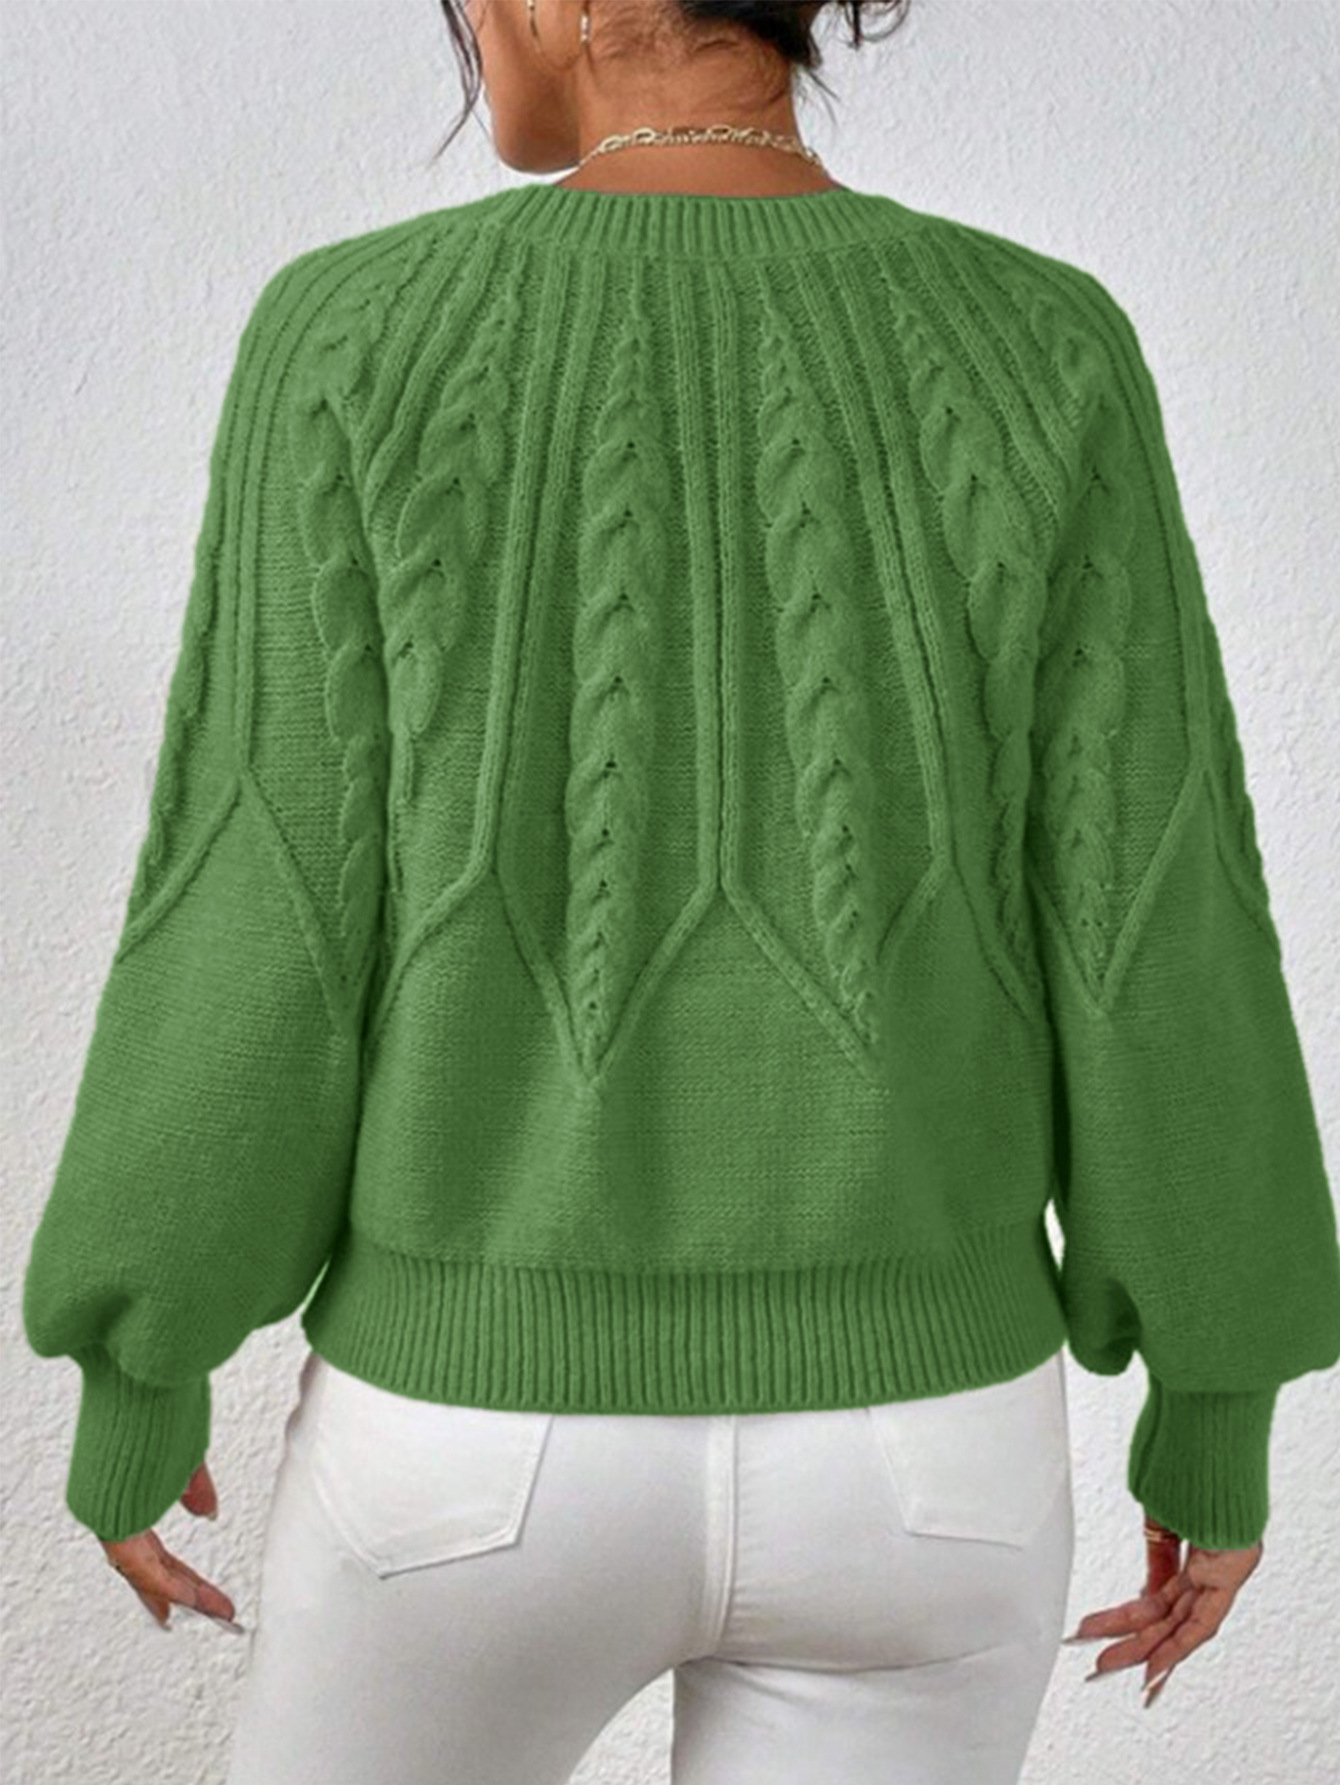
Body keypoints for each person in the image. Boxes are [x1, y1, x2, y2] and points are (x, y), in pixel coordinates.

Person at [20, 2, 1340, 1780]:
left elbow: (260, 902)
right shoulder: (1048, 344)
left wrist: (142, 1352)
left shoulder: (346, 339)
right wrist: (1214, 1398)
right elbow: (1152, 911)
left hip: (472, 1445)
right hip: (926, 1458)